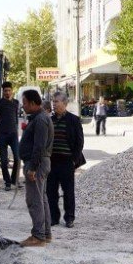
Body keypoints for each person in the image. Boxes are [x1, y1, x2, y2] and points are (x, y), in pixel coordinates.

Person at [18, 89, 53, 247]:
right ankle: (45, 234)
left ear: (33, 103)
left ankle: (38, 236)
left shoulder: (40, 119)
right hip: (39, 163)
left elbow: (39, 146)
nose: (23, 106)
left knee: (34, 199)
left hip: (37, 164)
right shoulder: (39, 118)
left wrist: (32, 167)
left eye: (24, 103)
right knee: (41, 198)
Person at [47, 91, 85, 229]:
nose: (54, 104)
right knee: (51, 191)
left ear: (65, 103)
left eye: (56, 101)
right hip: (51, 161)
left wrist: (74, 160)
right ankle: (53, 217)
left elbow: (79, 142)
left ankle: (69, 218)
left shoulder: (73, 120)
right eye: (53, 101)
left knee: (68, 191)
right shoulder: (49, 120)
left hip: (66, 161)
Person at [0, 81, 20, 191]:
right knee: (4, 161)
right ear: (3, 92)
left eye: (9, 90)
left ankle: (13, 179)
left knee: (17, 158)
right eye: (5, 91)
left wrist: (16, 129)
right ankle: (7, 182)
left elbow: (16, 118)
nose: (7, 92)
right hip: (2, 135)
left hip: (13, 135)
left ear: (12, 91)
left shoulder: (16, 103)